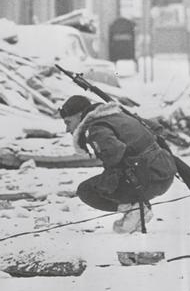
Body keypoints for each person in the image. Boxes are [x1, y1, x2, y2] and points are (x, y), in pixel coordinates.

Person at [59, 95, 178, 233]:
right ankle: (138, 210)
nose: (67, 129)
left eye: (68, 122)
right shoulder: (118, 115)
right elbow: (156, 128)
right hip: (163, 174)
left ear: (80, 115)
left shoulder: (96, 127)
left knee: (86, 190)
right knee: (111, 177)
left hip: (148, 179)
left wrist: (107, 181)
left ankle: (135, 209)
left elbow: (114, 152)